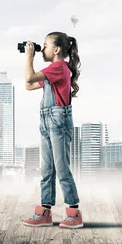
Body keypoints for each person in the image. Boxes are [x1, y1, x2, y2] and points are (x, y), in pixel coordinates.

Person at [22, 31, 83, 229]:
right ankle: (45, 212)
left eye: (45, 45)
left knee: (62, 168)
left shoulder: (58, 67)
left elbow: (30, 76)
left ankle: (74, 213)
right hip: (46, 121)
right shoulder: (51, 71)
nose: (43, 48)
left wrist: (29, 57)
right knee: (47, 169)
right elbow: (28, 85)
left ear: (56, 50)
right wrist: (28, 59)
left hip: (58, 121)